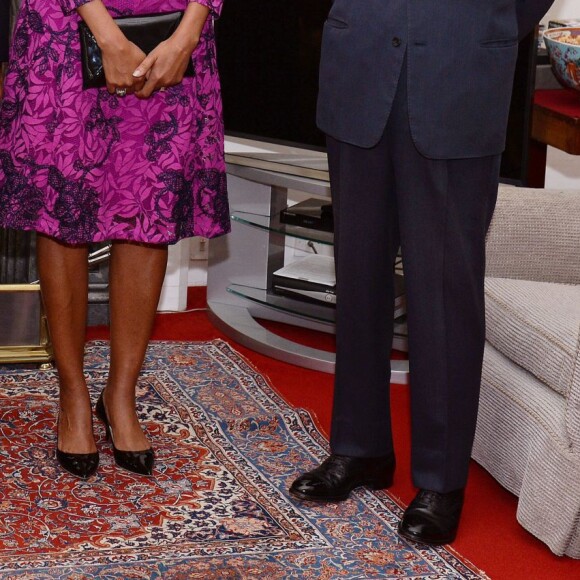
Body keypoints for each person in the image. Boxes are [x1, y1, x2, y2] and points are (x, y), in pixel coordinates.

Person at [290, 0, 554, 546]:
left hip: (460, 79)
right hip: (359, 67)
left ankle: (440, 482)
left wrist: (488, 23)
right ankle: (360, 449)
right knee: (358, 279)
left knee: (443, 295)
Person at [0, 0, 229, 479]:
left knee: (151, 207)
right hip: (68, 30)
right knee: (64, 213)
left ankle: (120, 395)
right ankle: (73, 396)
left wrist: (188, 34)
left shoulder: (181, 40)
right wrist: (106, 35)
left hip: (172, 39)